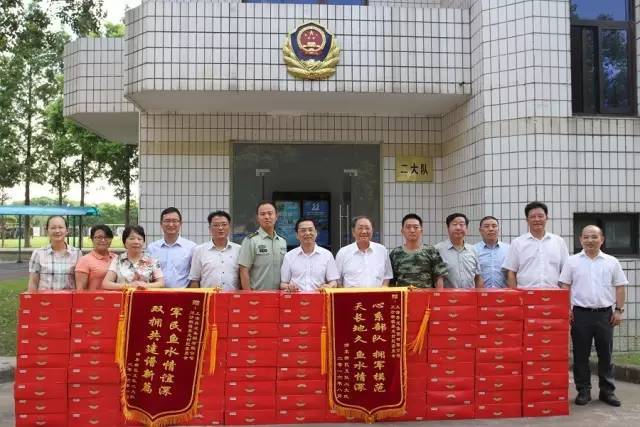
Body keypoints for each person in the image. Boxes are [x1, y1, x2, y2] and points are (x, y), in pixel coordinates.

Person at [559, 225, 627, 407]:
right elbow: (564, 286)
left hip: (605, 315)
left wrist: (619, 310)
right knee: (581, 355)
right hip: (580, 314)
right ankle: (583, 390)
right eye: (586, 237)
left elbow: (620, 286)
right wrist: (567, 309)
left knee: (606, 354)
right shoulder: (572, 261)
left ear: (602, 239)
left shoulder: (611, 262)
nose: (590, 240)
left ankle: (607, 391)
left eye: (594, 237)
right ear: (580, 239)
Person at [503, 201, 569, 289]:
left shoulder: (559, 242)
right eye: (533, 217)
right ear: (527, 220)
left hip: (553, 293)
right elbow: (511, 272)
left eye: (540, 216)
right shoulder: (517, 243)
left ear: (547, 218)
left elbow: (566, 271)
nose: (537, 219)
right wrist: (516, 295)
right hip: (525, 293)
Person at [238, 201, 287, 290]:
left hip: (279, 294)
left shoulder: (282, 242)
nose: (267, 217)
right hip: (257, 295)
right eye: (262, 214)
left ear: (276, 216)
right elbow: (243, 270)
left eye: (270, 213)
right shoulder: (251, 241)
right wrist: (248, 295)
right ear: (257, 218)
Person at [389, 213, 447, 288]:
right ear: (402, 231)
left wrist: (438, 294)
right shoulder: (395, 253)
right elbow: (391, 280)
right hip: (404, 295)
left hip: (427, 295)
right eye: (408, 227)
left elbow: (439, 277)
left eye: (416, 227)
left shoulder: (431, 251)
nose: (412, 230)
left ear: (421, 230)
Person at [280, 218, 339, 291]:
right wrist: (289, 287)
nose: (307, 233)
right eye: (303, 230)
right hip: (296, 297)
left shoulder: (327, 255)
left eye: (310, 230)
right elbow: (283, 284)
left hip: (319, 296)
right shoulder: (289, 256)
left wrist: (329, 286)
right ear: (297, 235)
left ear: (316, 233)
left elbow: (333, 282)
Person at [335, 216, 393, 288]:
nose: (364, 231)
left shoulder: (382, 251)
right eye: (360, 228)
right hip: (351, 295)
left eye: (367, 228)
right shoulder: (343, 253)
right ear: (353, 232)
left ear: (372, 231)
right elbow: (337, 280)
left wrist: (382, 290)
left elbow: (387, 277)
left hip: (377, 295)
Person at [189, 211, 241, 290]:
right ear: (209, 228)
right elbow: (194, 280)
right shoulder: (199, 250)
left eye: (224, 224)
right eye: (216, 225)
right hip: (208, 296)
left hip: (232, 296)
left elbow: (243, 278)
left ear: (229, 227)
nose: (220, 228)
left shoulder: (239, 250)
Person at [28, 215, 81, 291]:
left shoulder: (77, 253)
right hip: (44, 298)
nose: (57, 231)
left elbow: (80, 284)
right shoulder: (38, 253)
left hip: (69, 298)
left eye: (60, 227)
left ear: (67, 230)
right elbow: (33, 283)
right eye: (53, 228)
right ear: (47, 231)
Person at [103, 225, 164, 290]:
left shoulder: (152, 260)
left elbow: (161, 283)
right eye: (131, 238)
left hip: (146, 296)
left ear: (143, 242)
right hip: (124, 296)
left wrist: (146, 286)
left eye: (139, 239)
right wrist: (128, 286)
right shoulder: (117, 260)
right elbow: (106, 284)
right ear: (124, 242)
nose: (136, 242)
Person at [147, 207, 196, 288]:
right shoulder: (152, 248)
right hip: (157, 293)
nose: (171, 224)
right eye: (167, 221)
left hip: (181, 294)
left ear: (180, 223)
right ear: (161, 224)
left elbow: (194, 276)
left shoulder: (191, 247)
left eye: (175, 221)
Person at [435, 213, 483, 289]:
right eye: (454, 224)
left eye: (461, 224)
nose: (458, 228)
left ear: (466, 228)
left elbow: (478, 277)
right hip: (448, 296)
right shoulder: (438, 249)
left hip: (470, 295)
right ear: (448, 228)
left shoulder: (473, 249)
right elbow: (437, 278)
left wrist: (479, 295)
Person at [75, 224, 117, 290]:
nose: (103, 240)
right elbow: (80, 289)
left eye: (107, 237)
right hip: (94, 296)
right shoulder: (84, 260)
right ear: (92, 239)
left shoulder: (116, 258)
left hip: (116, 296)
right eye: (99, 237)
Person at [474, 216, 510, 288]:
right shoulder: (473, 250)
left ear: (498, 229)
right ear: (480, 230)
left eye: (494, 226)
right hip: (481, 293)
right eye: (486, 226)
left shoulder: (508, 249)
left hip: (503, 293)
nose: (491, 229)